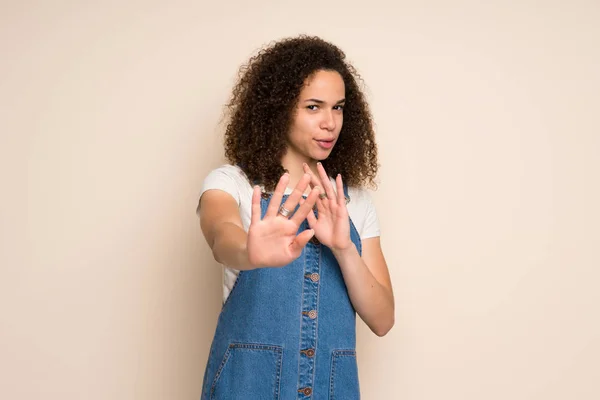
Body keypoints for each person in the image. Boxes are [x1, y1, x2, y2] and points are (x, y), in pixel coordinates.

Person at [196, 35, 394, 400]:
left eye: (338, 108)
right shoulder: (232, 185)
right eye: (314, 107)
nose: (330, 123)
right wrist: (249, 251)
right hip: (246, 386)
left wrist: (344, 249)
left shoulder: (356, 203)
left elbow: (383, 321)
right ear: (278, 108)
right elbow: (221, 235)